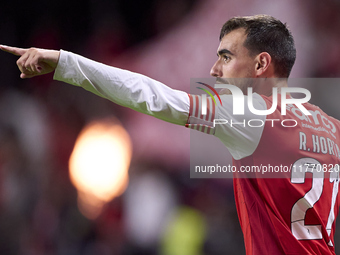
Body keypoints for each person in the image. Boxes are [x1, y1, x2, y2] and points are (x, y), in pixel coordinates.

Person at [1, 14, 339, 255]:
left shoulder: (251, 115)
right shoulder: (330, 127)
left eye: (226, 56)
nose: (214, 70)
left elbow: (152, 96)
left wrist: (65, 64)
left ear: (261, 64)